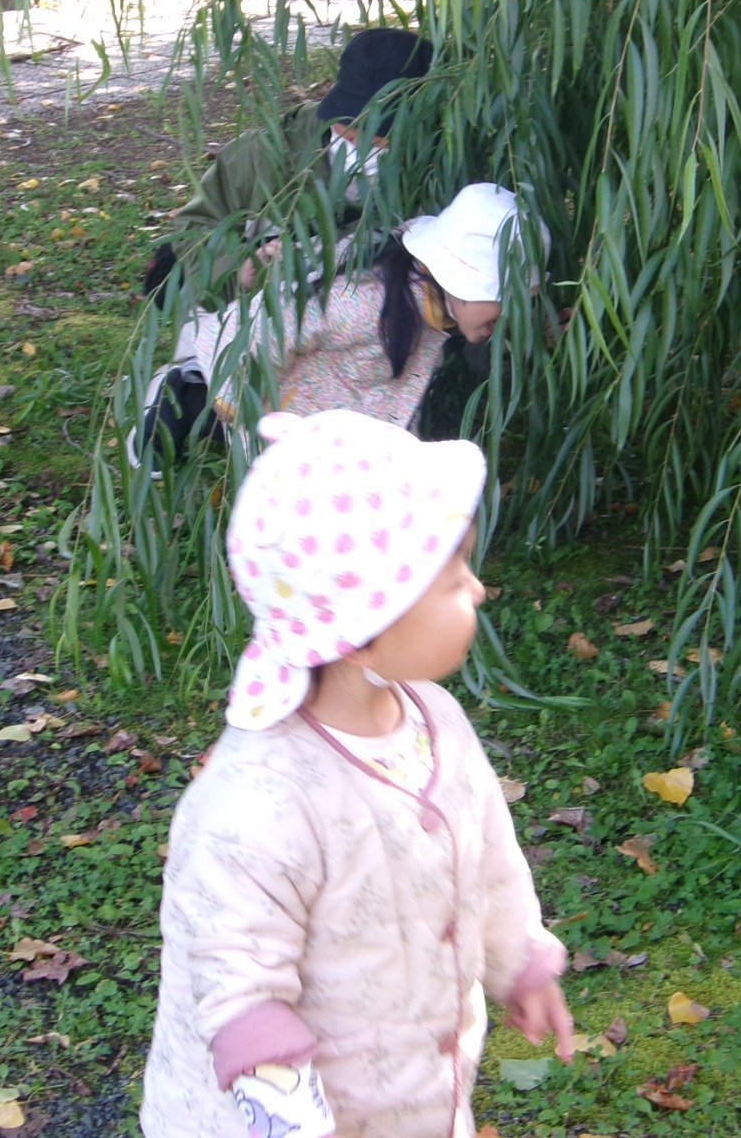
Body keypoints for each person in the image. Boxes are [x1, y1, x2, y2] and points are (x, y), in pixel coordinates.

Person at [140, 408, 573, 1138]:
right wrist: (285, 1114)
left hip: (412, 1098)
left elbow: (490, 864)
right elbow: (234, 977)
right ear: (362, 631)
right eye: (452, 576)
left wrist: (520, 962)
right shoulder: (257, 805)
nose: (479, 590)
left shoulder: (439, 725)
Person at [127, 182, 542, 475]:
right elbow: (260, 333)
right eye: (506, 302)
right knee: (254, 446)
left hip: (349, 405)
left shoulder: (438, 300)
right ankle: (183, 392)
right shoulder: (360, 304)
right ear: (462, 282)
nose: (512, 318)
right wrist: (235, 404)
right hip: (269, 382)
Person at [141, 27, 434, 300]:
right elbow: (196, 228)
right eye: (349, 120)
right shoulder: (260, 155)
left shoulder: (435, 164)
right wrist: (238, 271)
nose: (360, 136)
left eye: (379, 128)